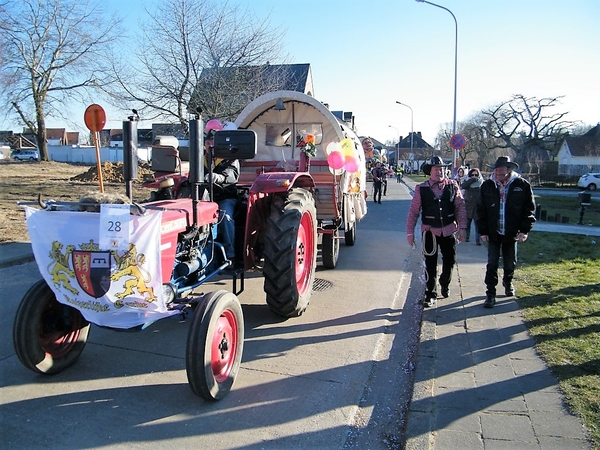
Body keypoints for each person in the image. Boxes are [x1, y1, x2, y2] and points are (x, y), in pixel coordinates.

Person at [406, 156, 467, 307]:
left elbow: (460, 207)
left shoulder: (453, 186)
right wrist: (410, 233)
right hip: (429, 231)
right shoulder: (422, 189)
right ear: (430, 171)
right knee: (430, 264)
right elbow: (413, 212)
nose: (439, 172)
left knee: (450, 261)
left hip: (449, 230)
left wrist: (462, 228)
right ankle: (430, 293)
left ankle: (444, 283)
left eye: (442, 169)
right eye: (436, 169)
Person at [476, 156, 535, 308]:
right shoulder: (487, 186)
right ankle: (490, 293)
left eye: (500, 169)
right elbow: (480, 210)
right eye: (495, 170)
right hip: (493, 232)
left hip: (512, 232)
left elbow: (529, 209)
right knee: (492, 263)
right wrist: (482, 231)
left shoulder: (522, 186)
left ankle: (508, 282)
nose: (497, 172)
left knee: (510, 262)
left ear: (509, 170)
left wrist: (524, 230)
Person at [204, 124, 240, 263]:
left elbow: (232, 174)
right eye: (208, 143)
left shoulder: (230, 158)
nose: (210, 145)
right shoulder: (200, 159)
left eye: (213, 143)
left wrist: (219, 177)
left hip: (226, 197)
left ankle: (230, 255)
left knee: (225, 216)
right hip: (205, 197)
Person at [461, 167, 484, 245]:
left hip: (478, 206)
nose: (474, 176)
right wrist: (471, 180)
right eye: (472, 174)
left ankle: (478, 240)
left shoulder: (481, 183)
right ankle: (467, 237)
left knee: (477, 224)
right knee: (468, 223)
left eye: (476, 174)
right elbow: (463, 186)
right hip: (468, 205)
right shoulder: (468, 181)